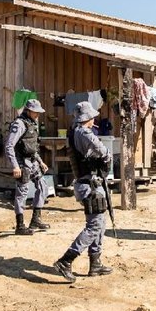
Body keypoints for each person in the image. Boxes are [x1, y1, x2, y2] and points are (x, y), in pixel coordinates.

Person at [54, 102, 114, 282]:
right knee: (94, 225)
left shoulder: (75, 131)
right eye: (92, 117)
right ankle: (66, 260)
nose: (94, 120)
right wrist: (105, 156)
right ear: (87, 119)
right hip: (89, 185)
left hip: (89, 183)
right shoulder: (83, 132)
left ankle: (95, 263)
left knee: (100, 223)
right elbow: (102, 150)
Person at [4, 99, 50, 235]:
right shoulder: (19, 124)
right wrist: (15, 166)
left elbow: (32, 146)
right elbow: (9, 146)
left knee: (43, 186)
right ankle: (20, 225)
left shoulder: (32, 123)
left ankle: (36, 219)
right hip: (22, 163)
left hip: (33, 162)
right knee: (22, 194)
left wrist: (41, 162)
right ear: (29, 111)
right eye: (36, 112)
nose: (38, 115)